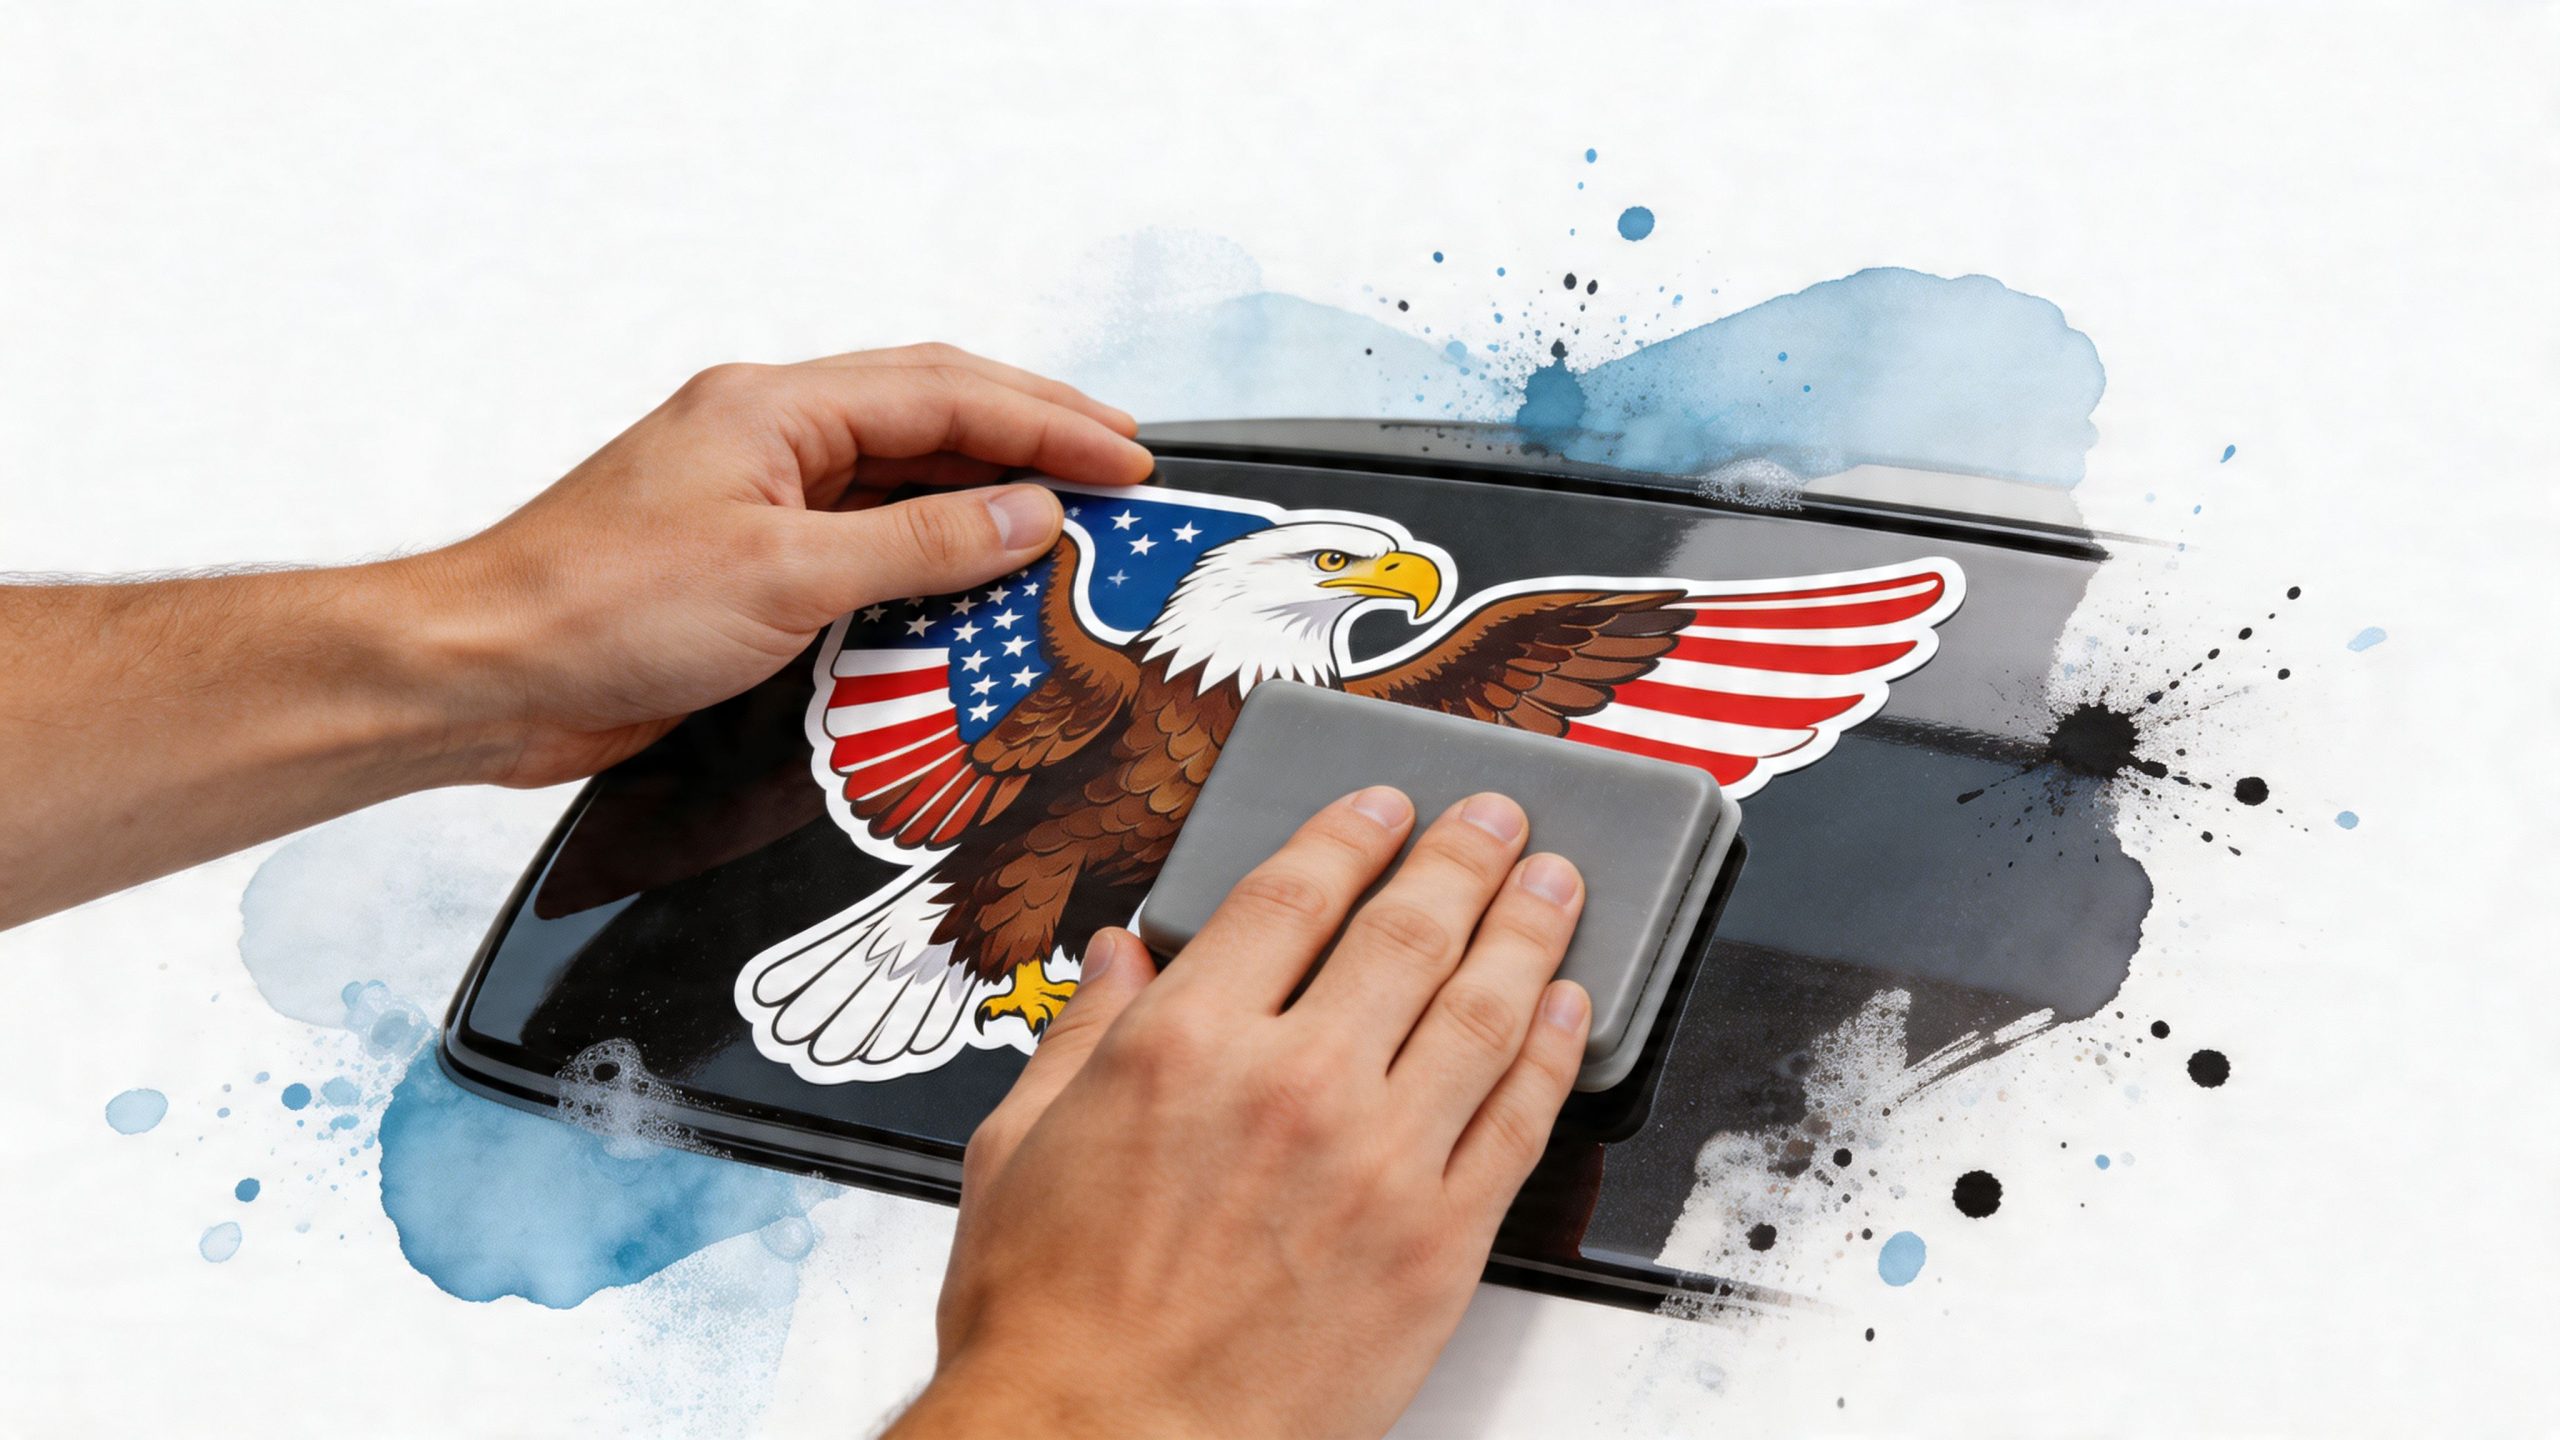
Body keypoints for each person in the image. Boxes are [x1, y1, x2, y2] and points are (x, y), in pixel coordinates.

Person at [0, 345, 1592, 1438]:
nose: (1386, 589)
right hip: (968, 934)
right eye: (1344, 574)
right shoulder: (1113, 672)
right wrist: (1108, 1383)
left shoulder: (1305, 696)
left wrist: (471, 645)